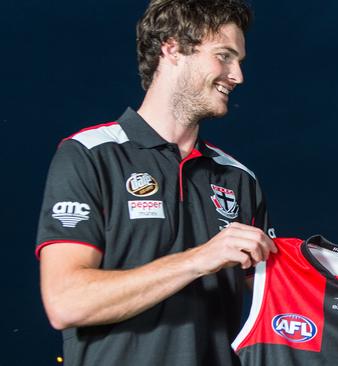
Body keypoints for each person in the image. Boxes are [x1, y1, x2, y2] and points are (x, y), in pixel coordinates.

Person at [35, 1, 276, 365]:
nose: (237, 75)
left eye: (238, 60)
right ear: (173, 47)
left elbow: (283, 299)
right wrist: (199, 259)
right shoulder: (89, 155)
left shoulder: (238, 179)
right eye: (224, 56)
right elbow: (65, 303)